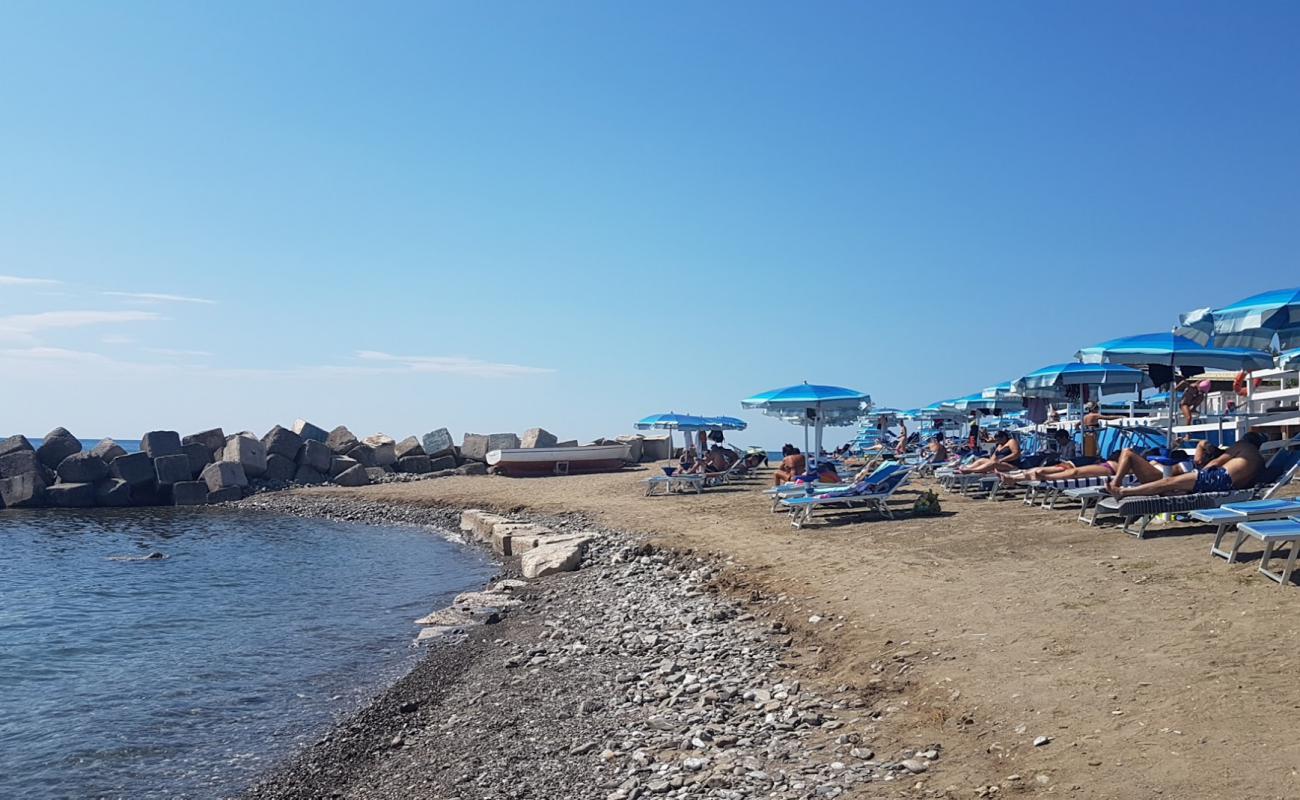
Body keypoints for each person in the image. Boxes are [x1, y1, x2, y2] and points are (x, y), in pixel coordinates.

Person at [1107, 432, 1266, 497]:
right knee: (1170, 484)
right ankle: (1121, 489)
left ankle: (1123, 492)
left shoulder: (1243, 446)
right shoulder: (1258, 460)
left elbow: (1216, 462)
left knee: (1168, 482)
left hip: (1218, 478)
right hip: (1227, 485)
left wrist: (1199, 473)